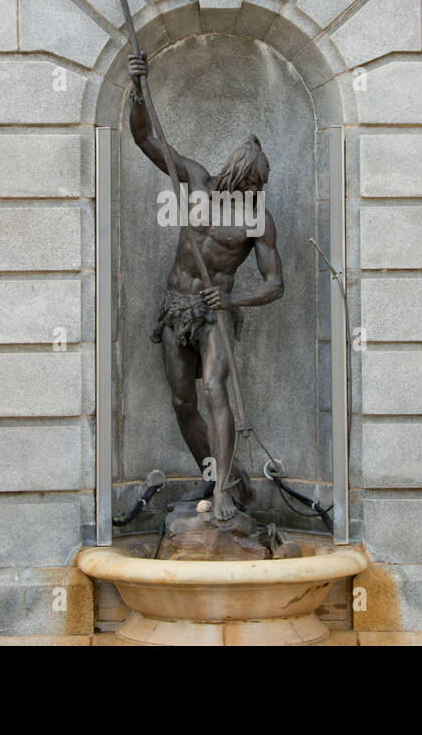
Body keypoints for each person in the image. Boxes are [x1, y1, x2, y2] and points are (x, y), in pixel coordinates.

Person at [126, 52, 284, 521]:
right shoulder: (195, 182)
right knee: (182, 400)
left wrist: (233, 297)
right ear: (237, 176)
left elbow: (276, 285)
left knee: (215, 388)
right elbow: (144, 136)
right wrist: (138, 91)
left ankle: (223, 499)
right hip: (178, 306)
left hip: (217, 311)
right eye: (254, 185)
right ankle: (219, 474)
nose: (258, 194)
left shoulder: (258, 220)